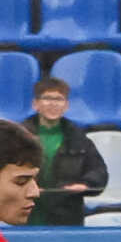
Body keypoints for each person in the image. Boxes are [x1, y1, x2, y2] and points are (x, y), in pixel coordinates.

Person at [22, 77, 108, 227]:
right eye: (47, 98)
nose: (53, 104)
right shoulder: (18, 136)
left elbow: (99, 171)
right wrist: (25, 185)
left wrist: (86, 184)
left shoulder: (79, 137)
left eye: (59, 99)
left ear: (66, 105)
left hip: (68, 214)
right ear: (35, 104)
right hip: (29, 212)